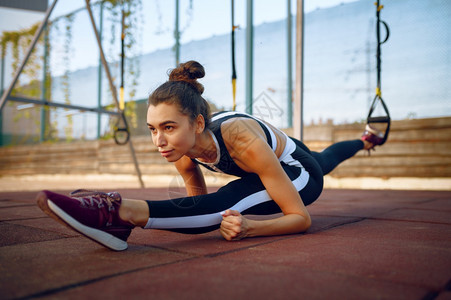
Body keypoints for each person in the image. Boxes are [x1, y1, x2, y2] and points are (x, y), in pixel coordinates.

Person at [36, 60, 386, 251]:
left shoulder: (239, 139)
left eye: (168, 127)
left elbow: (300, 218)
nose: (159, 139)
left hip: (295, 170)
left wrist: (251, 227)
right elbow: (197, 205)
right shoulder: (181, 146)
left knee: (247, 193)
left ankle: (118, 212)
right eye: (153, 128)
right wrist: (196, 216)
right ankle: (366, 139)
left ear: (198, 122)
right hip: (284, 149)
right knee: (327, 157)